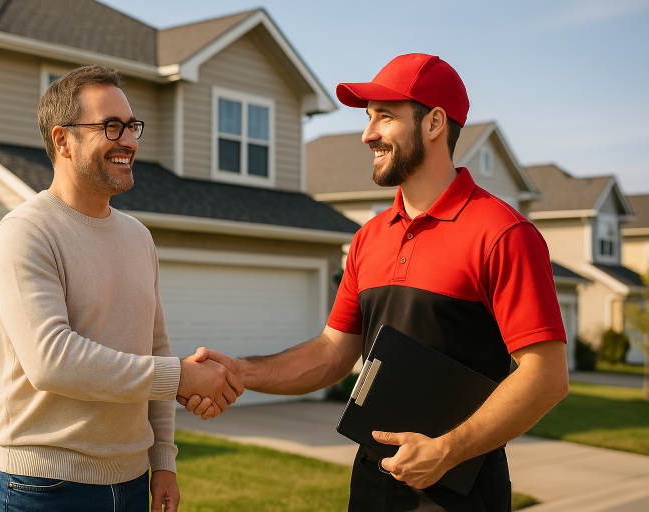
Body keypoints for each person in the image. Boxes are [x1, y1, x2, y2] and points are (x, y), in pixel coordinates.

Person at [181, 53, 569, 511]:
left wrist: (447, 451)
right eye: (368, 118)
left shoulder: (501, 234)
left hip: (459, 494)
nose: (368, 134)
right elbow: (332, 352)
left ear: (435, 123)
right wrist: (240, 372)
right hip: (371, 487)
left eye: (385, 117)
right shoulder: (369, 238)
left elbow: (546, 376)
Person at [0, 65, 243, 512]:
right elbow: (53, 361)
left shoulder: (138, 237)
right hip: (45, 487)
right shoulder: (26, 232)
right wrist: (182, 377)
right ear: (62, 140)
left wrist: (163, 460)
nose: (129, 140)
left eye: (131, 126)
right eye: (110, 126)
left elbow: (157, 347)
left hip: (131, 482)